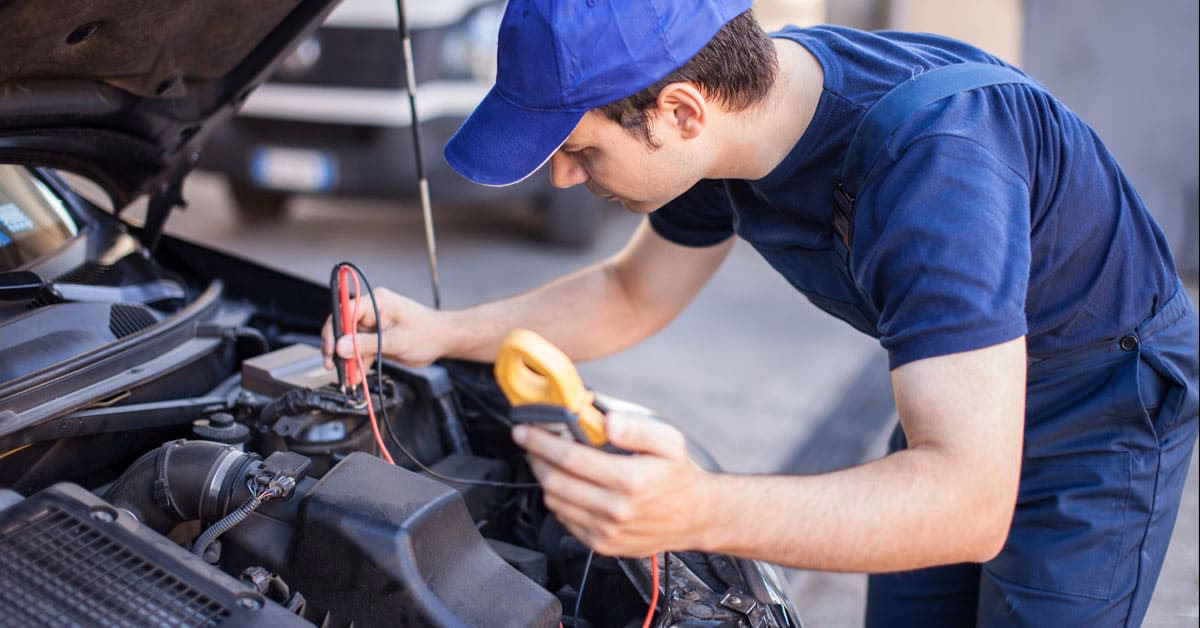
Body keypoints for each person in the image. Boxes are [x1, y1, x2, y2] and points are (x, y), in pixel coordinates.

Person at [322, 1, 1199, 625]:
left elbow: (968, 501)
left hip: (1099, 406)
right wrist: (437, 332)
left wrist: (696, 509)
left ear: (680, 111)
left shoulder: (936, 167)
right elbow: (631, 294)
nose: (561, 176)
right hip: (963, 393)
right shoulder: (735, 128)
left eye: (579, 148)